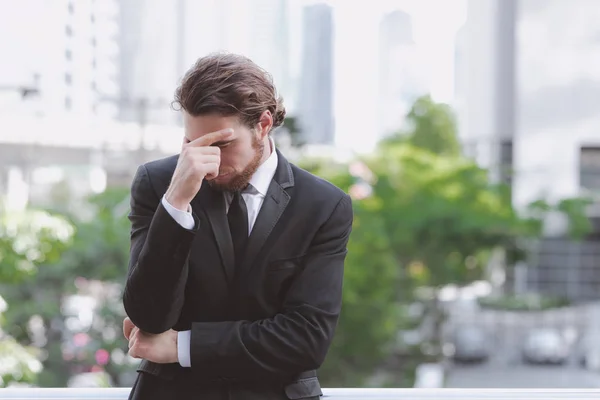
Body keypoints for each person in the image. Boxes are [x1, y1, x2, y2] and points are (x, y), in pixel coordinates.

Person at [122, 53, 353, 400]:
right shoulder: (158, 184)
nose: (208, 162)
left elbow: (306, 340)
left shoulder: (323, 205)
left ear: (262, 125)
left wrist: (181, 346)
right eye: (192, 144)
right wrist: (176, 203)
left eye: (222, 145)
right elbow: (149, 318)